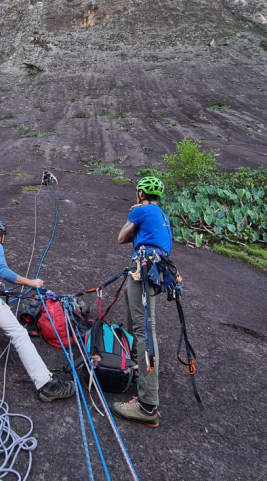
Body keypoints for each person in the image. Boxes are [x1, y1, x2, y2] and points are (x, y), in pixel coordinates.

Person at [0, 219, 75, 402]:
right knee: (19, 333)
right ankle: (46, 384)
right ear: (2, 236)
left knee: (14, 330)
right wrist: (32, 282)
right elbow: (3, 271)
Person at [112, 176, 173, 427]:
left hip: (144, 269)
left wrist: (132, 216)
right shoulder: (162, 214)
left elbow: (121, 238)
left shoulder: (142, 210)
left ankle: (147, 404)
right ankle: (132, 367)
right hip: (154, 270)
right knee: (137, 322)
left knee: (145, 329)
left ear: (140, 193)